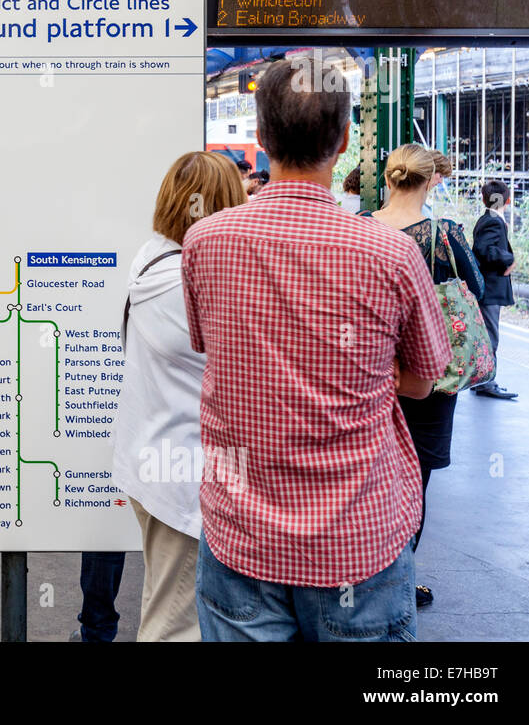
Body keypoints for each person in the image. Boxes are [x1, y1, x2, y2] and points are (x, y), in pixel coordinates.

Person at [181, 58, 451, 642]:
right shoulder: (392, 255)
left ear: (260, 137)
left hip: (242, 538)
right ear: (347, 141)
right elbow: (424, 380)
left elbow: (214, 346)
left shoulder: (205, 242)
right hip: (358, 541)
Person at [111, 151, 246, 642]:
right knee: (177, 624)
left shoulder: (152, 258)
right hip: (181, 473)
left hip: (150, 459)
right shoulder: (185, 283)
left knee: (164, 599)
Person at [365, 144, 484, 609]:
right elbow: (472, 291)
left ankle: (360, 572)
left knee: (371, 477)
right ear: (432, 180)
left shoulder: (360, 229)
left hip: (371, 372)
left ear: (389, 179)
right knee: (416, 481)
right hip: (430, 379)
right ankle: (398, 577)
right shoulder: (446, 235)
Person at [471, 180, 517, 401]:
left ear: (483, 198)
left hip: (485, 286)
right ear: (506, 200)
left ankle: (481, 379)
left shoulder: (487, 219)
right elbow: (484, 249)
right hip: (490, 287)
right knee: (490, 336)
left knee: (485, 334)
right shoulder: (493, 222)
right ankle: (487, 382)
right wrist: (509, 258)